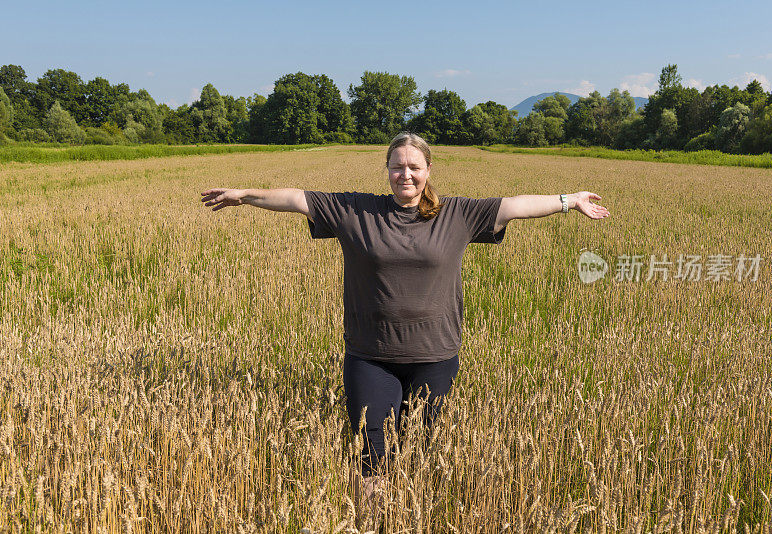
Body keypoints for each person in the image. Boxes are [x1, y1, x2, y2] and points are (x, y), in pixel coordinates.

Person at [200, 131, 610, 526]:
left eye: (414, 167)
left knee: (418, 450)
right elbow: (295, 198)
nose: (406, 175)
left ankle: (410, 519)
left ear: (429, 170)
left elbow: (515, 207)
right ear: (387, 170)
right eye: (398, 167)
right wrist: (243, 195)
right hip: (370, 356)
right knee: (372, 452)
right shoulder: (356, 210)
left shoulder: (458, 214)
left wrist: (568, 201)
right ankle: (373, 524)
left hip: (435, 358)